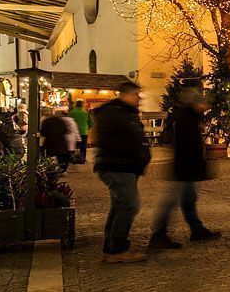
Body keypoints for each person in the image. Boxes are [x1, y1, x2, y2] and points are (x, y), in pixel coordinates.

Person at [149, 88, 222, 249]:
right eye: (203, 102)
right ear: (195, 103)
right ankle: (159, 235)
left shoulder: (188, 117)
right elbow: (188, 146)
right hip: (184, 168)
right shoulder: (186, 118)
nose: (205, 106)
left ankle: (197, 229)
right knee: (172, 202)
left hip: (185, 167)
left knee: (188, 200)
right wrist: (199, 166)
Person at [94, 82, 151, 263]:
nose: (139, 98)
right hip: (118, 166)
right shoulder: (115, 114)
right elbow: (120, 141)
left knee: (120, 206)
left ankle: (110, 249)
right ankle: (117, 249)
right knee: (130, 204)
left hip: (124, 167)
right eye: (136, 94)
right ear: (125, 95)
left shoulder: (125, 113)